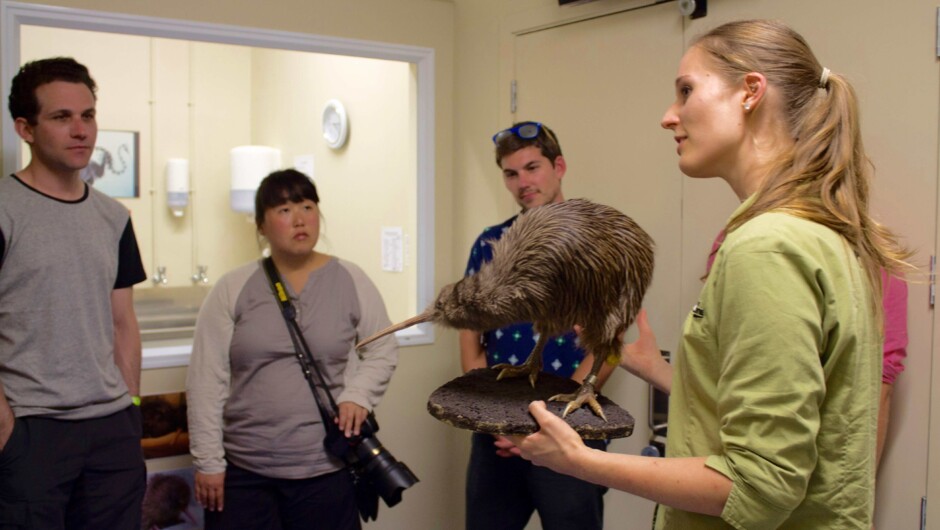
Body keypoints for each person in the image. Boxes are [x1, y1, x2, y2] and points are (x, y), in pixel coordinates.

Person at [508, 19, 910, 529]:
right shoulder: (824, 230)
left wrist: (579, 460)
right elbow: (787, 423)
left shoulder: (768, 248)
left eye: (686, 91)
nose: (668, 116)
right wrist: (655, 368)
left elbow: (758, 484)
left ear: (750, 92)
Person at [186, 169, 399, 530]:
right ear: (261, 226)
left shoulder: (351, 279)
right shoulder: (232, 287)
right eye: (284, 210)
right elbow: (206, 380)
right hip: (245, 473)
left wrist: (359, 395)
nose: (299, 219)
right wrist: (208, 462)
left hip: (326, 469)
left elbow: (382, 349)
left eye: (307, 206)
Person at [0, 57, 148, 528]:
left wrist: (131, 405)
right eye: (62, 117)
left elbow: (123, 322)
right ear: (25, 128)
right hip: (32, 431)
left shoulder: (114, 217)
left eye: (87, 115)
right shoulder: (4, 211)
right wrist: (6, 429)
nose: (80, 130)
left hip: (112, 432)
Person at [459, 121, 614, 530]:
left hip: (570, 431)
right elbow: (470, 338)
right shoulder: (491, 244)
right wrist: (498, 418)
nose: (522, 182)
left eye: (532, 168)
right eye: (511, 173)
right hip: (497, 433)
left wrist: (553, 420)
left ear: (558, 165)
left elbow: (610, 348)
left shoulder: (597, 242)